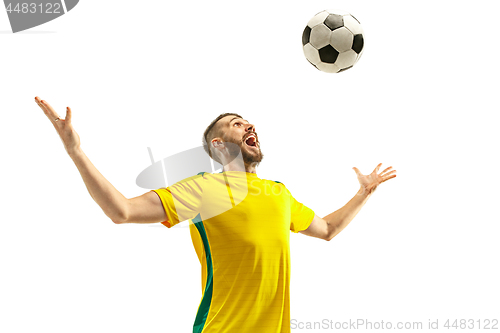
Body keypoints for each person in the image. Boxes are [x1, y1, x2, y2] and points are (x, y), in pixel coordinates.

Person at [35, 97, 397, 333]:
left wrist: (363, 192)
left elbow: (329, 229)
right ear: (218, 145)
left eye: (250, 124)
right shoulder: (201, 189)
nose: (250, 127)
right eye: (238, 124)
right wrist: (75, 151)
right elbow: (122, 211)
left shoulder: (279, 193)